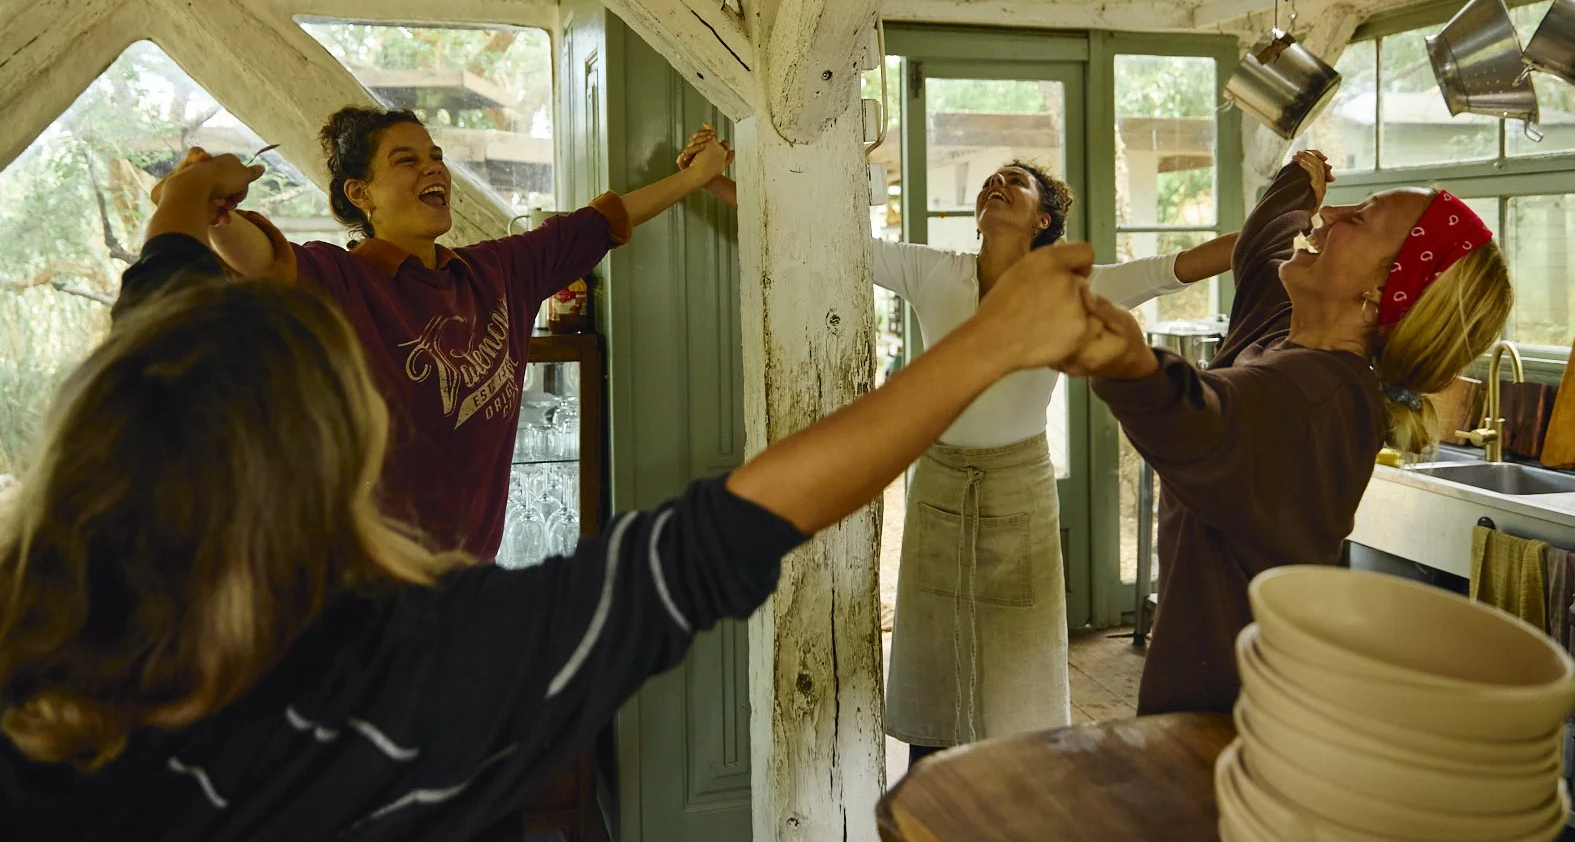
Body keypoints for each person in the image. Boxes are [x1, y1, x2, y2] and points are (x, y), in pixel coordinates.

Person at [0, 150, 1129, 841]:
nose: (430, 167)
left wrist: (182, 200)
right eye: (404, 157)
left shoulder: (34, 679)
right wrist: (985, 346)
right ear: (332, 462)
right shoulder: (417, 672)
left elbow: (158, 307)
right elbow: (713, 537)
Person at [676, 126, 1239, 757]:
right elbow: (826, 240)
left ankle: (1016, 787)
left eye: (1015, 183)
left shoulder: (1074, 285)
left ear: (1043, 220)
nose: (996, 186)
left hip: (1019, 485)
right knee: (935, 652)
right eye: (990, 183)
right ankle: (929, 785)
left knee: (1018, 652)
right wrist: (714, 182)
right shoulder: (931, 270)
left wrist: (1288, 229)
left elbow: (1177, 268)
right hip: (940, 480)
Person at [152, 109, 731, 559]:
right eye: (406, 160)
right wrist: (213, 209)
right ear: (361, 195)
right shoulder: (341, 280)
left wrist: (699, 178)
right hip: (357, 596)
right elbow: (261, 260)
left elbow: (600, 223)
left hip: (463, 592)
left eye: (436, 156)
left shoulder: (497, 272)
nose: (434, 168)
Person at [1079, 150, 1514, 716]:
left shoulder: (1318, 398)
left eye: (1357, 219)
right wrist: (1296, 182)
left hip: (1234, 726)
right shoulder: (1289, 332)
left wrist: (1113, 351)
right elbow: (1263, 246)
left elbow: (1201, 423)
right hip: (1211, 703)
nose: (1330, 215)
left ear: (1382, 293)